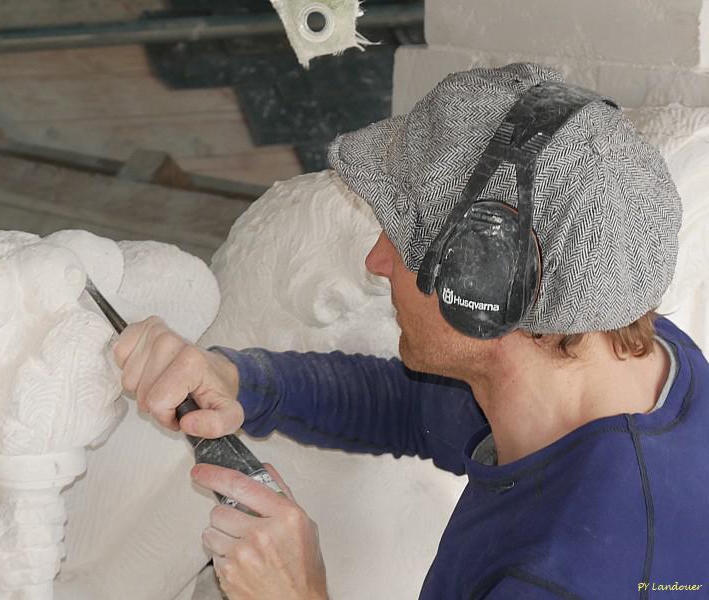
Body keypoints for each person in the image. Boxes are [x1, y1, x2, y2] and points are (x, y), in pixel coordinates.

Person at [113, 63, 709, 599]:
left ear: (482, 286)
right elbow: (415, 407)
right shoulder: (623, 357)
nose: (376, 260)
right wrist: (240, 379)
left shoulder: (574, 574)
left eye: (402, 237)